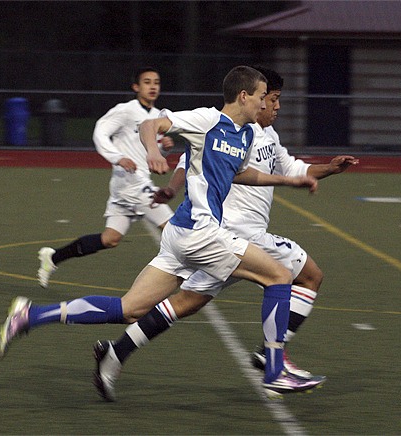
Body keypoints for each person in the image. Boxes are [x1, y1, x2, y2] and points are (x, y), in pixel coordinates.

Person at [0, 65, 324, 399]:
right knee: (279, 276)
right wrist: (153, 150)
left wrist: (291, 180)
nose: (265, 105)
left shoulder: (246, 134)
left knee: (129, 309)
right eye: (260, 97)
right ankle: (274, 370)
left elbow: (243, 174)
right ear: (243, 96)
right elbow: (151, 124)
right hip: (201, 233)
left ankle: (31, 315)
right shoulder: (206, 120)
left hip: (181, 234)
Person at [93, 66, 358, 401]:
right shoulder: (222, 128)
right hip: (231, 233)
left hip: (226, 237)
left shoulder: (265, 137)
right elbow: (190, 160)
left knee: (184, 303)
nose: (273, 107)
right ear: (251, 98)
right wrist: (172, 184)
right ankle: (272, 357)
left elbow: (292, 167)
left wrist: (329, 168)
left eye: (275, 100)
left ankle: (116, 354)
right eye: (270, 99)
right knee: (306, 275)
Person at [37, 66, 175, 288]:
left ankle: (53, 257)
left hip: (132, 183)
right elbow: (100, 131)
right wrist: (117, 157)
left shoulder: (158, 116)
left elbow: (149, 152)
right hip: (130, 182)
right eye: (147, 82)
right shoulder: (126, 110)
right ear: (136, 87)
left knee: (110, 239)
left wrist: (165, 148)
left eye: (156, 82)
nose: (152, 86)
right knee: (173, 228)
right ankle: (194, 280)